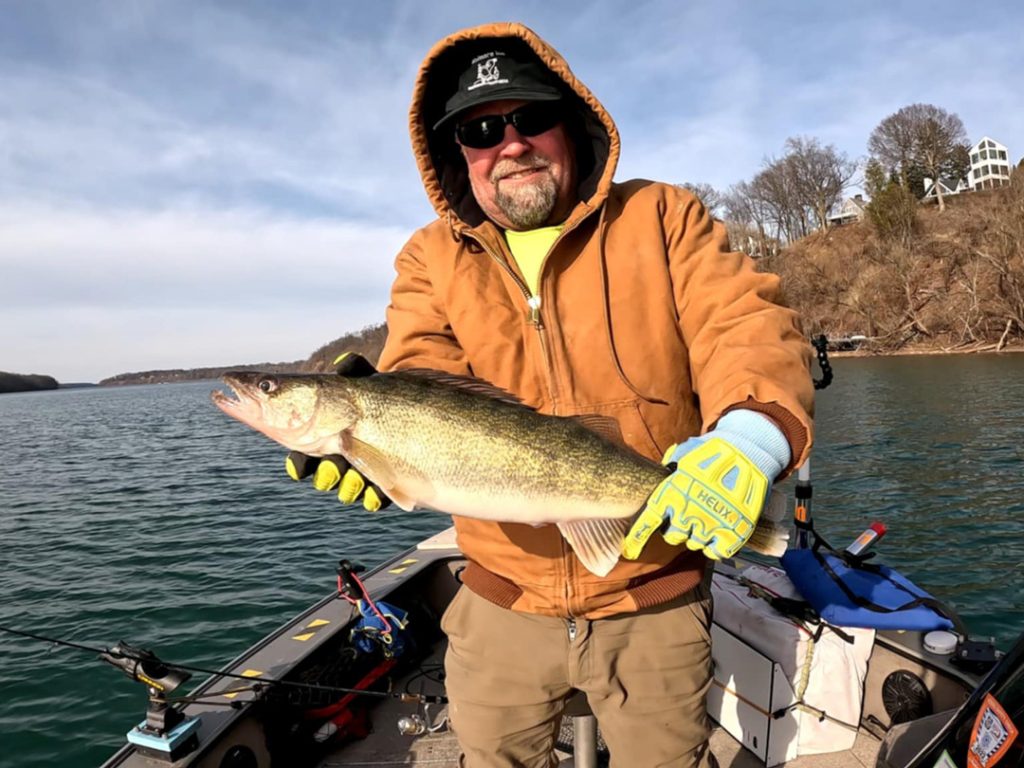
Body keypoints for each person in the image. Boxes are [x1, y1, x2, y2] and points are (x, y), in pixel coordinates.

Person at [288, 22, 814, 768]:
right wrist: (378, 451)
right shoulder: (429, 258)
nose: (510, 144)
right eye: (479, 129)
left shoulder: (663, 218)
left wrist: (749, 437)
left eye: (530, 117)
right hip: (501, 600)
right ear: (455, 152)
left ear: (571, 125)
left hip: (652, 596)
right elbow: (419, 366)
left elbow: (747, 328)